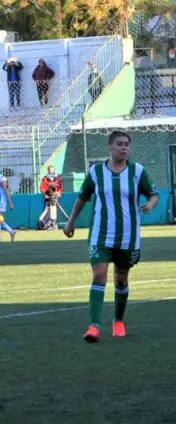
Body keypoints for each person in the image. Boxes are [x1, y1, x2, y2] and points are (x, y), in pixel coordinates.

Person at [63, 131, 160, 342]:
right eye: (119, 144)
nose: (124, 148)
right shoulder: (96, 172)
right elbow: (82, 198)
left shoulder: (137, 171)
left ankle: (118, 321)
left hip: (128, 237)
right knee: (99, 276)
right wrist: (70, 221)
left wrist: (151, 204)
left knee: (121, 279)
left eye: (126, 144)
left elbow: (154, 194)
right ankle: (94, 326)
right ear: (109, 146)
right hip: (100, 234)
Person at [38, 165, 62, 230]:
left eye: (52, 170)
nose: (51, 171)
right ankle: (43, 223)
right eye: (50, 170)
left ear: (54, 170)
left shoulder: (58, 178)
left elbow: (59, 187)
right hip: (48, 196)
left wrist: (58, 193)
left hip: (55, 197)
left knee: (53, 209)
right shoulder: (45, 178)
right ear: (48, 171)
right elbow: (42, 188)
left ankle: (52, 224)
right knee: (47, 209)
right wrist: (46, 194)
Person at [0, 172, 16, 242]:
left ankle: (11, 231)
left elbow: (7, 190)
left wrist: (10, 202)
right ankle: (11, 231)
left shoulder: (1, 178)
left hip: (1, 201)